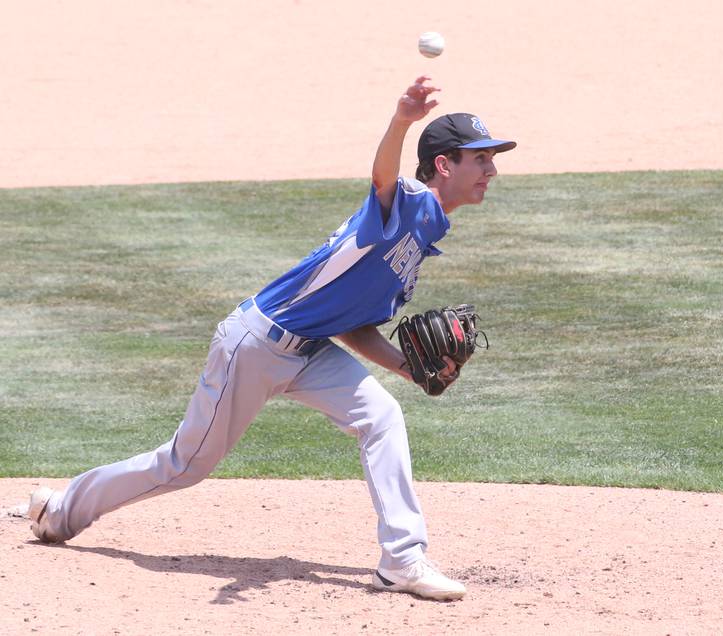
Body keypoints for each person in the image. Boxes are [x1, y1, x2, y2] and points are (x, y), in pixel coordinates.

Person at [27, 76, 516, 601]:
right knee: (185, 465)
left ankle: (402, 560)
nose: (491, 168)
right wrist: (401, 120)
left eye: (491, 157)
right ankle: (60, 511)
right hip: (257, 344)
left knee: (382, 417)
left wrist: (408, 369)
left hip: (311, 352)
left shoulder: (426, 232)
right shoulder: (412, 202)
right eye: (480, 157)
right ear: (445, 164)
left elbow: (351, 324)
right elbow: (382, 179)